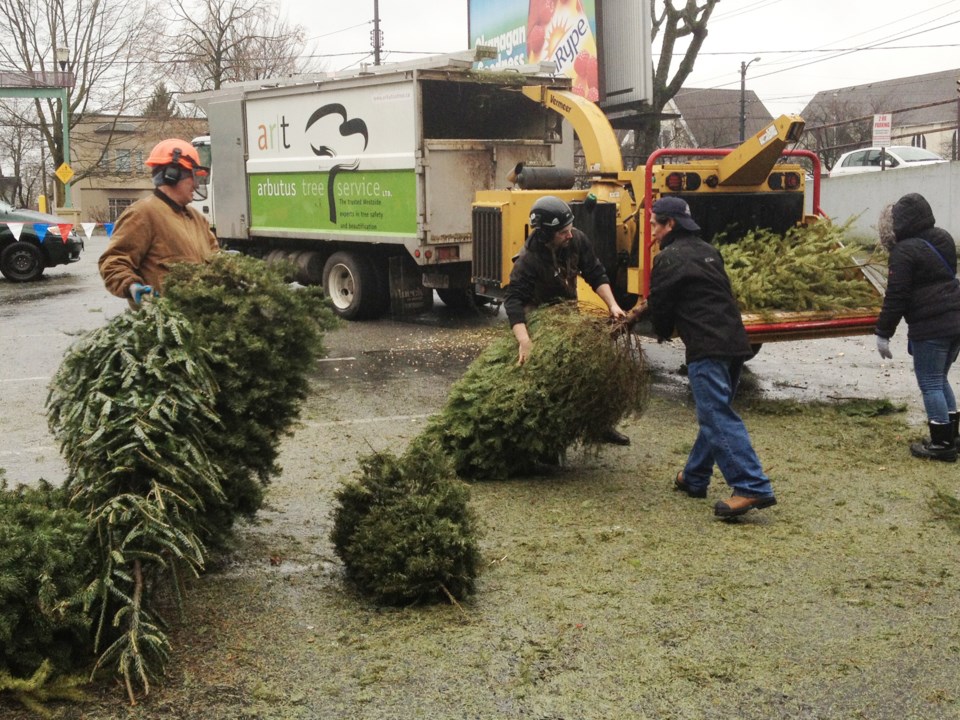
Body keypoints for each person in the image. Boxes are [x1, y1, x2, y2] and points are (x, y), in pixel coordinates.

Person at [644, 196, 776, 518]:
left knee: (715, 416)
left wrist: (661, 330)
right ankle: (694, 477)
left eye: (654, 224)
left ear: (670, 224)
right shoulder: (708, 250)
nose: (651, 231)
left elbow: (660, 306)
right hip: (735, 344)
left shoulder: (668, 259)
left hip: (707, 348)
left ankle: (751, 485)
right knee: (715, 412)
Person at [503, 195, 631, 445]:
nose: (569, 235)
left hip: (569, 318)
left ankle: (599, 426)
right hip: (541, 322)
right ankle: (547, 440)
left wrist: (613, 305)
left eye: (570, 229)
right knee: (550, 383)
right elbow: (513, 301)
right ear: (545, 233)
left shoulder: (576, 240)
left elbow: (595, 272)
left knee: (592, 371)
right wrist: (525, 341)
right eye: (563, 232)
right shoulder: (528, 261)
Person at [874, 193, 960, 462]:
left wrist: (883, 333)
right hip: (955, 318)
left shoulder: (903, 252)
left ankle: (942, 444)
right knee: (940, 377)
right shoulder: (942, 237)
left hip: (931, 325)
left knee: (930, 381)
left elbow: (896, 295)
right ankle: (953, 435)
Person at [99, 138, 218, 307]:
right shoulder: (143, 214)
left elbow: (215, 258)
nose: (196, 184)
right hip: (164, 322)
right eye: (193, 176)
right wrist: (131, 285)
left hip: (199, 322)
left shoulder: (197, 219)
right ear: (172, 175)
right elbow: (114, 262)